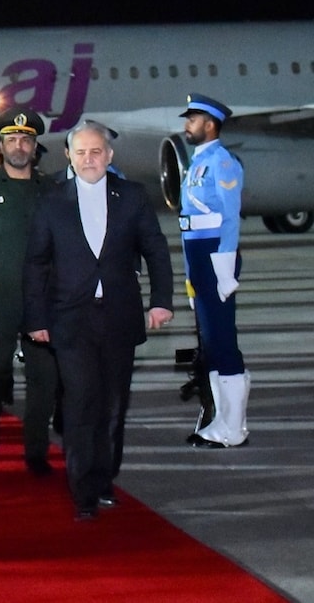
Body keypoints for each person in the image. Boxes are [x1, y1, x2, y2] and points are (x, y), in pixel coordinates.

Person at [23, 120, 173, 521]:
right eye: (81, 152)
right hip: (70, 319)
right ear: (69, 157)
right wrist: (35, 317)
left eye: (96, 152)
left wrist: (161, 302)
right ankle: (82, 489)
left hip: (119, 317)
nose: (89, 159)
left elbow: (155, 250)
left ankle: (105, 478)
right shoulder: (51, 200)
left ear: (109, 156)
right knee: (81, 403)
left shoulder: (133, 197)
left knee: (113, 405)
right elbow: (36, 262)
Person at [0, 108, 61, 475]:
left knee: (44, 382)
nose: (19, 146)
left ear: (35, 146)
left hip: (43, 304)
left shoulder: (53, 190)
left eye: (26, 139)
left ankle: (36, 453)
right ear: (1, 146)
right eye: (12, 140)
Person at [178, 94, 248, 449]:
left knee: (222, 341)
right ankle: (223, 421)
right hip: (199, 256)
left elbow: (230, 217)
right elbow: (188, 223)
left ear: (210, 124)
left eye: (192, 119)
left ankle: (233, 428)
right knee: (212, 343)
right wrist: (191, 277)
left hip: (216, 254)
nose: (186, 126)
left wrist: (225, 266)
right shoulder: (196, 162)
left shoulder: (222, 162)